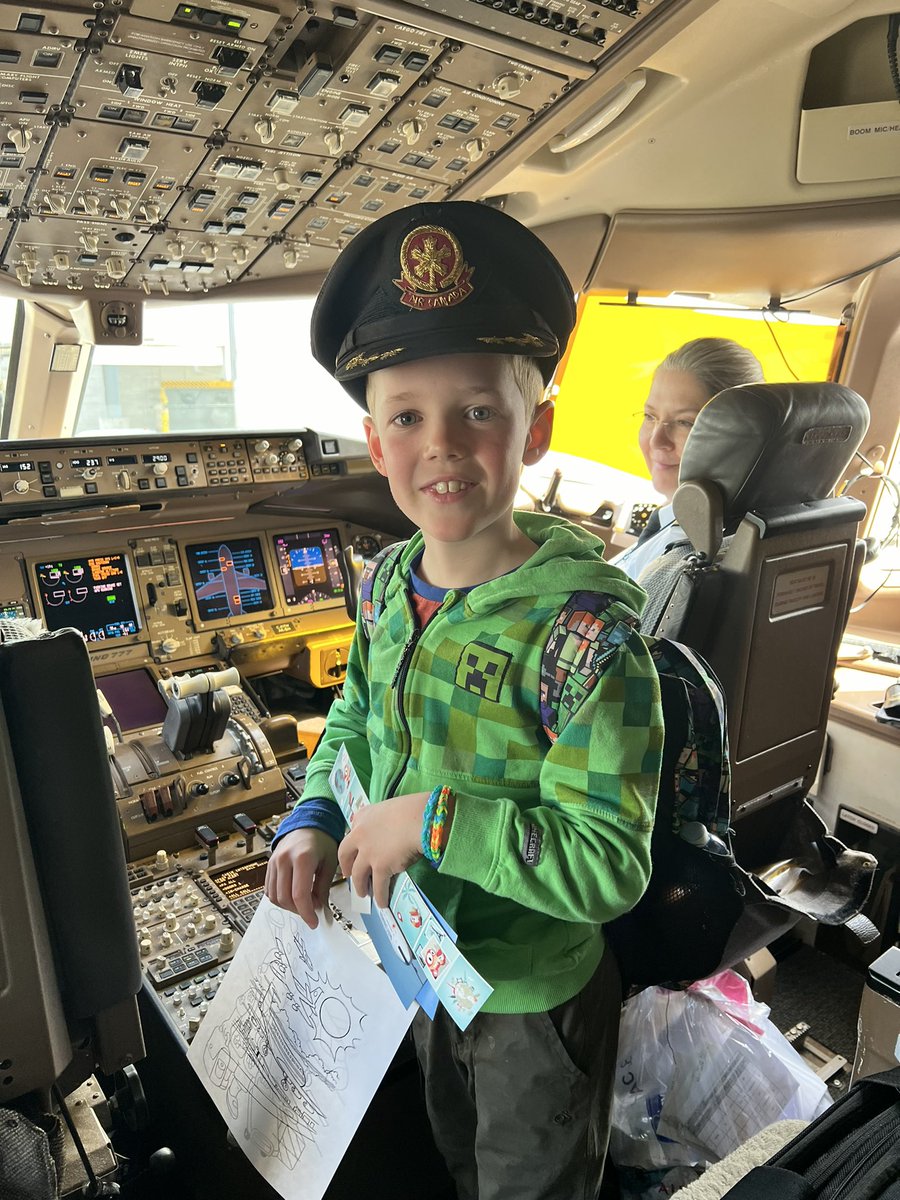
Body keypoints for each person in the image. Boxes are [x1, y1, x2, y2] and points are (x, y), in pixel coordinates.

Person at [264, 201, 664, 1200]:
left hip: (533, 997)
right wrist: (315, 819)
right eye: (408, 416)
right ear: (374, 441)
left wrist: (435, 821)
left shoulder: (584, 639)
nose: (440, 444)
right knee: (449, 1165)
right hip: (420, 968)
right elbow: (355, 724)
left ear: (538, 431)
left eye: (478, 409)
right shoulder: (388, 582)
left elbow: (609, 866)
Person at [613, 337, 764, 581]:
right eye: (650, 416)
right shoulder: (674, 523)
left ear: (739, 436)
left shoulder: (682, 553)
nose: (656, 440)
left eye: (685, 422)